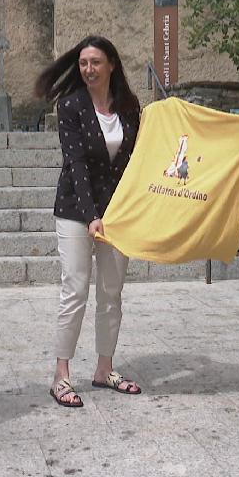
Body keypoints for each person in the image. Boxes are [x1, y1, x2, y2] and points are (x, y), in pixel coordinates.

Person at [35, 36, 143, 407]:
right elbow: (76, 163)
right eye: (83, 63)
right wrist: (91, 216)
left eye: (95, 62)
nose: (88, 69)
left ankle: (104, 368)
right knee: (75, 290)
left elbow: (137, 161)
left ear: (112, 64)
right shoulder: (71, 106)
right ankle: (61, 374)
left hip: (118, 213)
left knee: (111, 294)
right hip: (74, 210)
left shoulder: (129, 107)